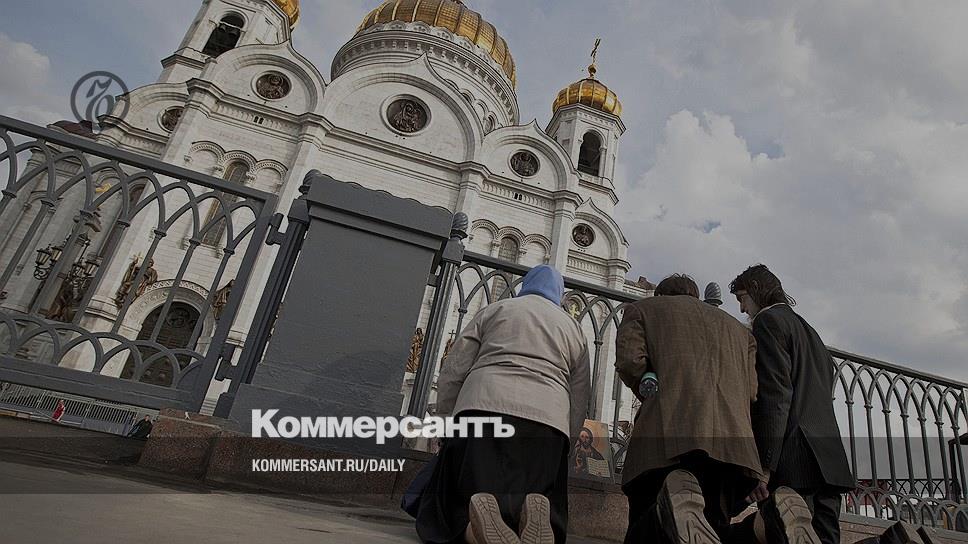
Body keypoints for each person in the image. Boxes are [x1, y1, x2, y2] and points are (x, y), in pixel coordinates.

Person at [415, 264, 590, 544]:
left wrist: (446, 418)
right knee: (538, 487)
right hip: (548, 420)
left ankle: (473, 529)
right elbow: (580, 393)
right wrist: (567, 438)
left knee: (454, 498)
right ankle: (531, 515)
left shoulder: (496, 310)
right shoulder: (574, 329)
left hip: (483, 406)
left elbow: (455, 368)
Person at [615, 274, 766, 543]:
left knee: (647, 524)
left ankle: (664, 513)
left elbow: (630, 362)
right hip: (730, 448)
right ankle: (765, 527)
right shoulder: (742, 333)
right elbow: (752, 391)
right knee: (713, 527)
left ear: (661, 295)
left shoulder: (642, 310)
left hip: (664, 441)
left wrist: (648, 386)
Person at [730, 264, 855, 544]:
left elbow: (775, 396)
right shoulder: (810, 332)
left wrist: (765, 465)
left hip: (794, 459)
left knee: (784, 533)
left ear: (756, 291)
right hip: (829, 461)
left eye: (742, 298)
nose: (742, 309)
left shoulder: (768, 322)